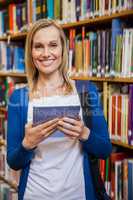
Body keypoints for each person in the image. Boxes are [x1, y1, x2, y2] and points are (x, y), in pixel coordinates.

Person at [7, 19, 112, 200]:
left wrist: (84, 133)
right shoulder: (19, 98)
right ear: (31, 52)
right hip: (35, 194)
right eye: (38, 46)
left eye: (53, 45)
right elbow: (14, 162)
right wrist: (27, 144)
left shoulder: (86, 92)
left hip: (78, 194)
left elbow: (105, 150)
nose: (46, 53)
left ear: (63, 49)